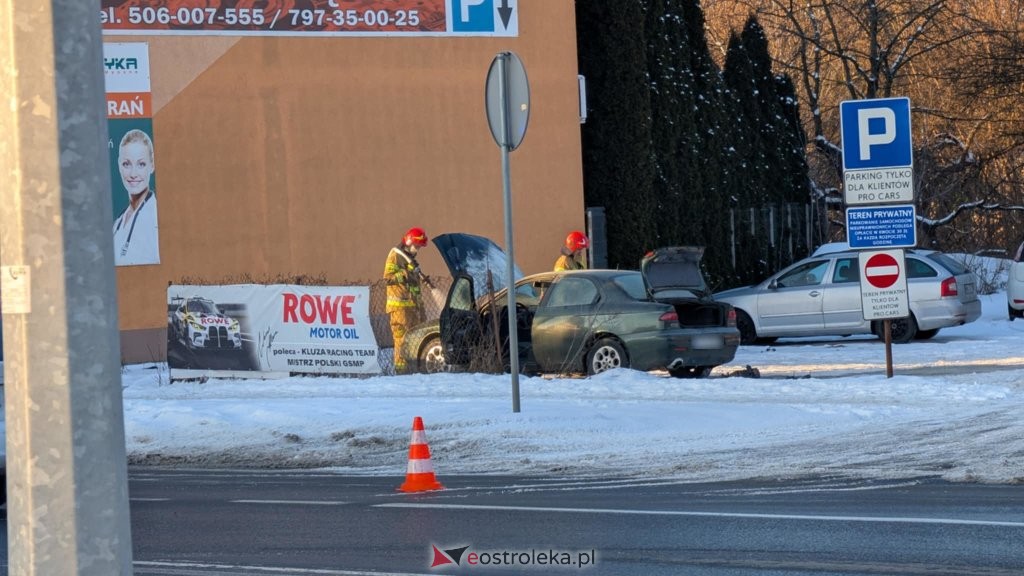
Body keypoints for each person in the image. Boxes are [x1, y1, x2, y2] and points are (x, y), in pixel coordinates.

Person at [384, 227, 431, 373]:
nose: (417, 250)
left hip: (413, 307)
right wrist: (405, 273)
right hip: (400, 308)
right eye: (416, 246)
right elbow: (388, 278)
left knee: (417, 338)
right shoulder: (395, 255)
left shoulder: (410, 259)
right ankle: (401, 371)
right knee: (402, 339)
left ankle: (415, 368)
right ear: (409, 241)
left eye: (419, 247)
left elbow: (414, 287)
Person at [113, 128, 160, 266]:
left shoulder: (154, 217)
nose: (133, 174)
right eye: (127, 164)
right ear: (119, 165)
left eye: (141, 164)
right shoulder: (117, 224)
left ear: (152, 165)